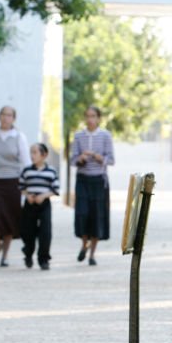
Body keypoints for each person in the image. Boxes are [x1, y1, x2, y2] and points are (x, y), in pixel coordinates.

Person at [0, 106, 28, 267]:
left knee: (9, 218)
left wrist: (26, 184)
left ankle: (5, 255)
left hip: (12, 182)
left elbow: (25, 161)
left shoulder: (18, 137)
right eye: (2, 114)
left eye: (9, 115)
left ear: (13, 118)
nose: (5, 118)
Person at [71, 105, 114, 266]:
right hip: (83, 180)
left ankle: (92, 254)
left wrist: (97, 156)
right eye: (87, 116)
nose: (90, 119)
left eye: (93, 116)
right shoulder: (78, 136)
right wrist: (80, 158)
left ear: (98, 118)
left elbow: (111, 160)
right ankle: (84, 244)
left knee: (97, 216)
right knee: (82, 214)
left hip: (99, 180)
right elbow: (73, 160)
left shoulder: (105, 136)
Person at [19, 143, 59, 270]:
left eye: (35, 152)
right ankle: (28, 254)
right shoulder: (27, 170)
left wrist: (43, 196)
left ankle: (44, 259)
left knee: (45, 232)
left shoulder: (51, 171)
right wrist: (27, 195)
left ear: (44, 155)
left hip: (44, 204)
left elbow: (55, 189)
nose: (32, 155)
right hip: (30, 205)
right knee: (28, 231)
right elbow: (21, 186)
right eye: (31, 152)